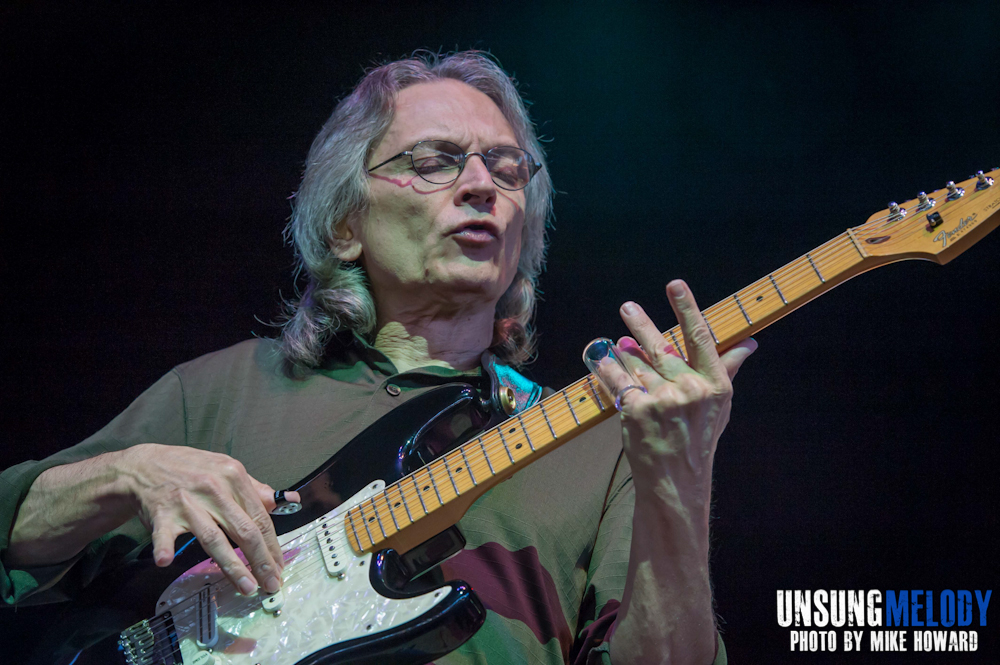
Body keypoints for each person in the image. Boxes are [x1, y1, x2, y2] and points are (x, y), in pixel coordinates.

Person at [0, 51, 755, 664]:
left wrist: (680, 478)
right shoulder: (227, 388)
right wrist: (128, 472)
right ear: (343, 227)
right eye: (435, 161)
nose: (481, 186)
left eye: (506, 167)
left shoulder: (608, 445)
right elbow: (14, 528)